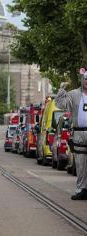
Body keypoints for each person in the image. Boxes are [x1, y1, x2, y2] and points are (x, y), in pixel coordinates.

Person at [55, 68, 87, 200]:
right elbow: (61, 105)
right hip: (79, 133)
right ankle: (82, 189)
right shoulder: (74, 94)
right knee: (80, 163)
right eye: (85, 79)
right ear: (82, 80)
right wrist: (62, 90)